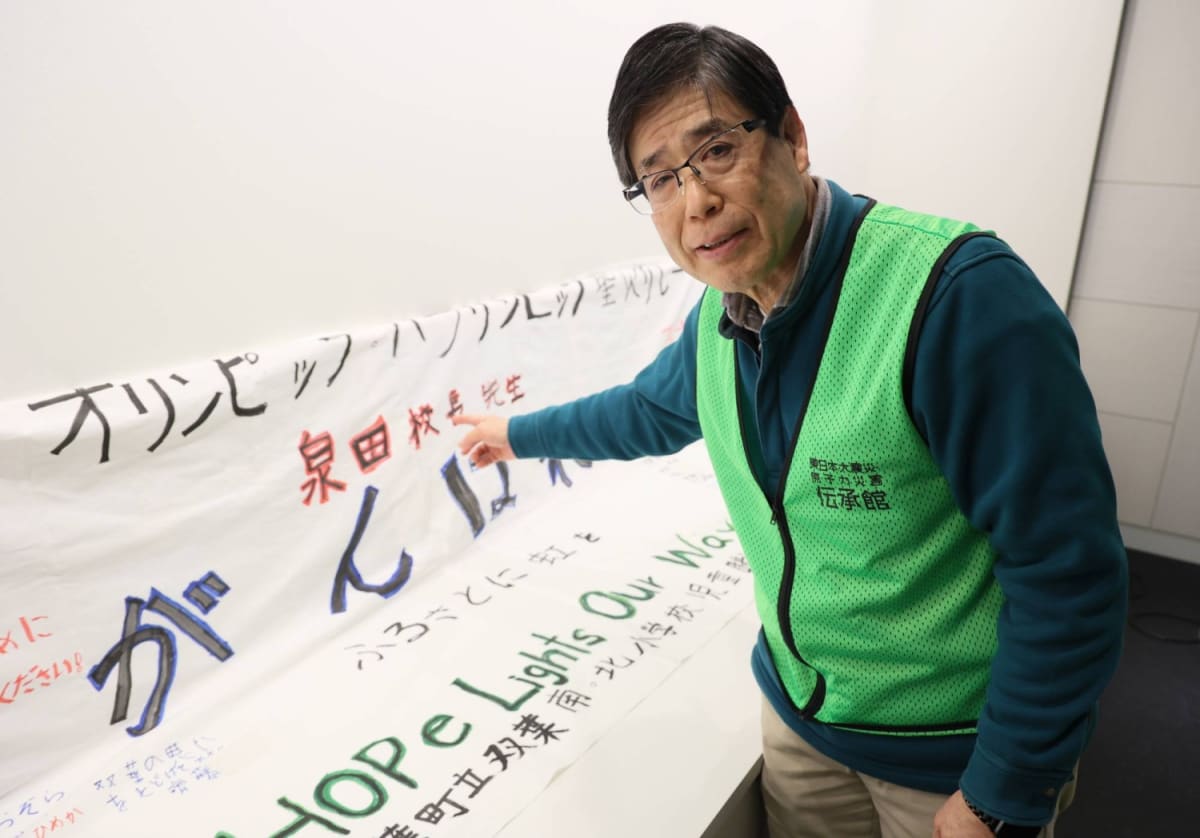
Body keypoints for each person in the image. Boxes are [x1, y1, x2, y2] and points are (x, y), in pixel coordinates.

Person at [453, 22, 1127, 838]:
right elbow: (645, 411)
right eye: (659, 179)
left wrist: (999, 792)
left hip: (952, 755)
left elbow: (1067, 571)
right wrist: (515, 433)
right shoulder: (720, 318)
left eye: (717, 152)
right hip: (803, 729)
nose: (694, 200)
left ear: (793, 138)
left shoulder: (959, 298)